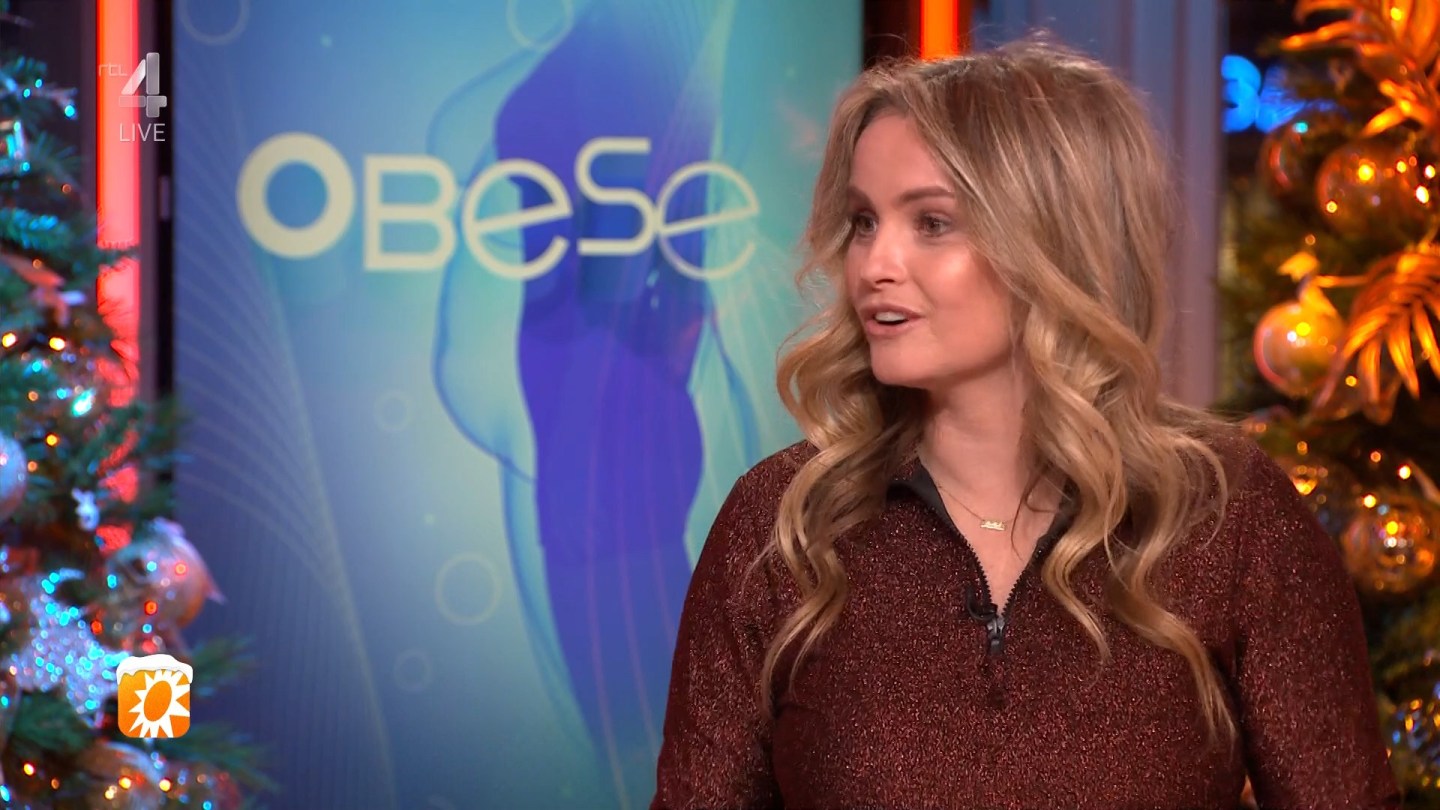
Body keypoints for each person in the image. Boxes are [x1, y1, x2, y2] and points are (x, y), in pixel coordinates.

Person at [649, 37, 1401, 810]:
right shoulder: (783, 524)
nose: (875, 264)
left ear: (1055, 242)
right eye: (864, 221)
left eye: (931, 223)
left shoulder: (1224, 515)